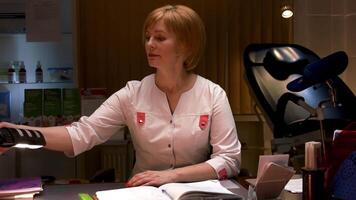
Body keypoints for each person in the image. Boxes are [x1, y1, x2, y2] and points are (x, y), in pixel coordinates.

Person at [0, 4, 241, 187]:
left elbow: (229, 160)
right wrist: (19, 133)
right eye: (147, 37)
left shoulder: (212, 94)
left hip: (196, 192)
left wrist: (171, 176)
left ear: (187, 46)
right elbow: (81, 134)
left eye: (159, 38)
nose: (149, 44)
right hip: (144, 193)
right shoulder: (132, 94)